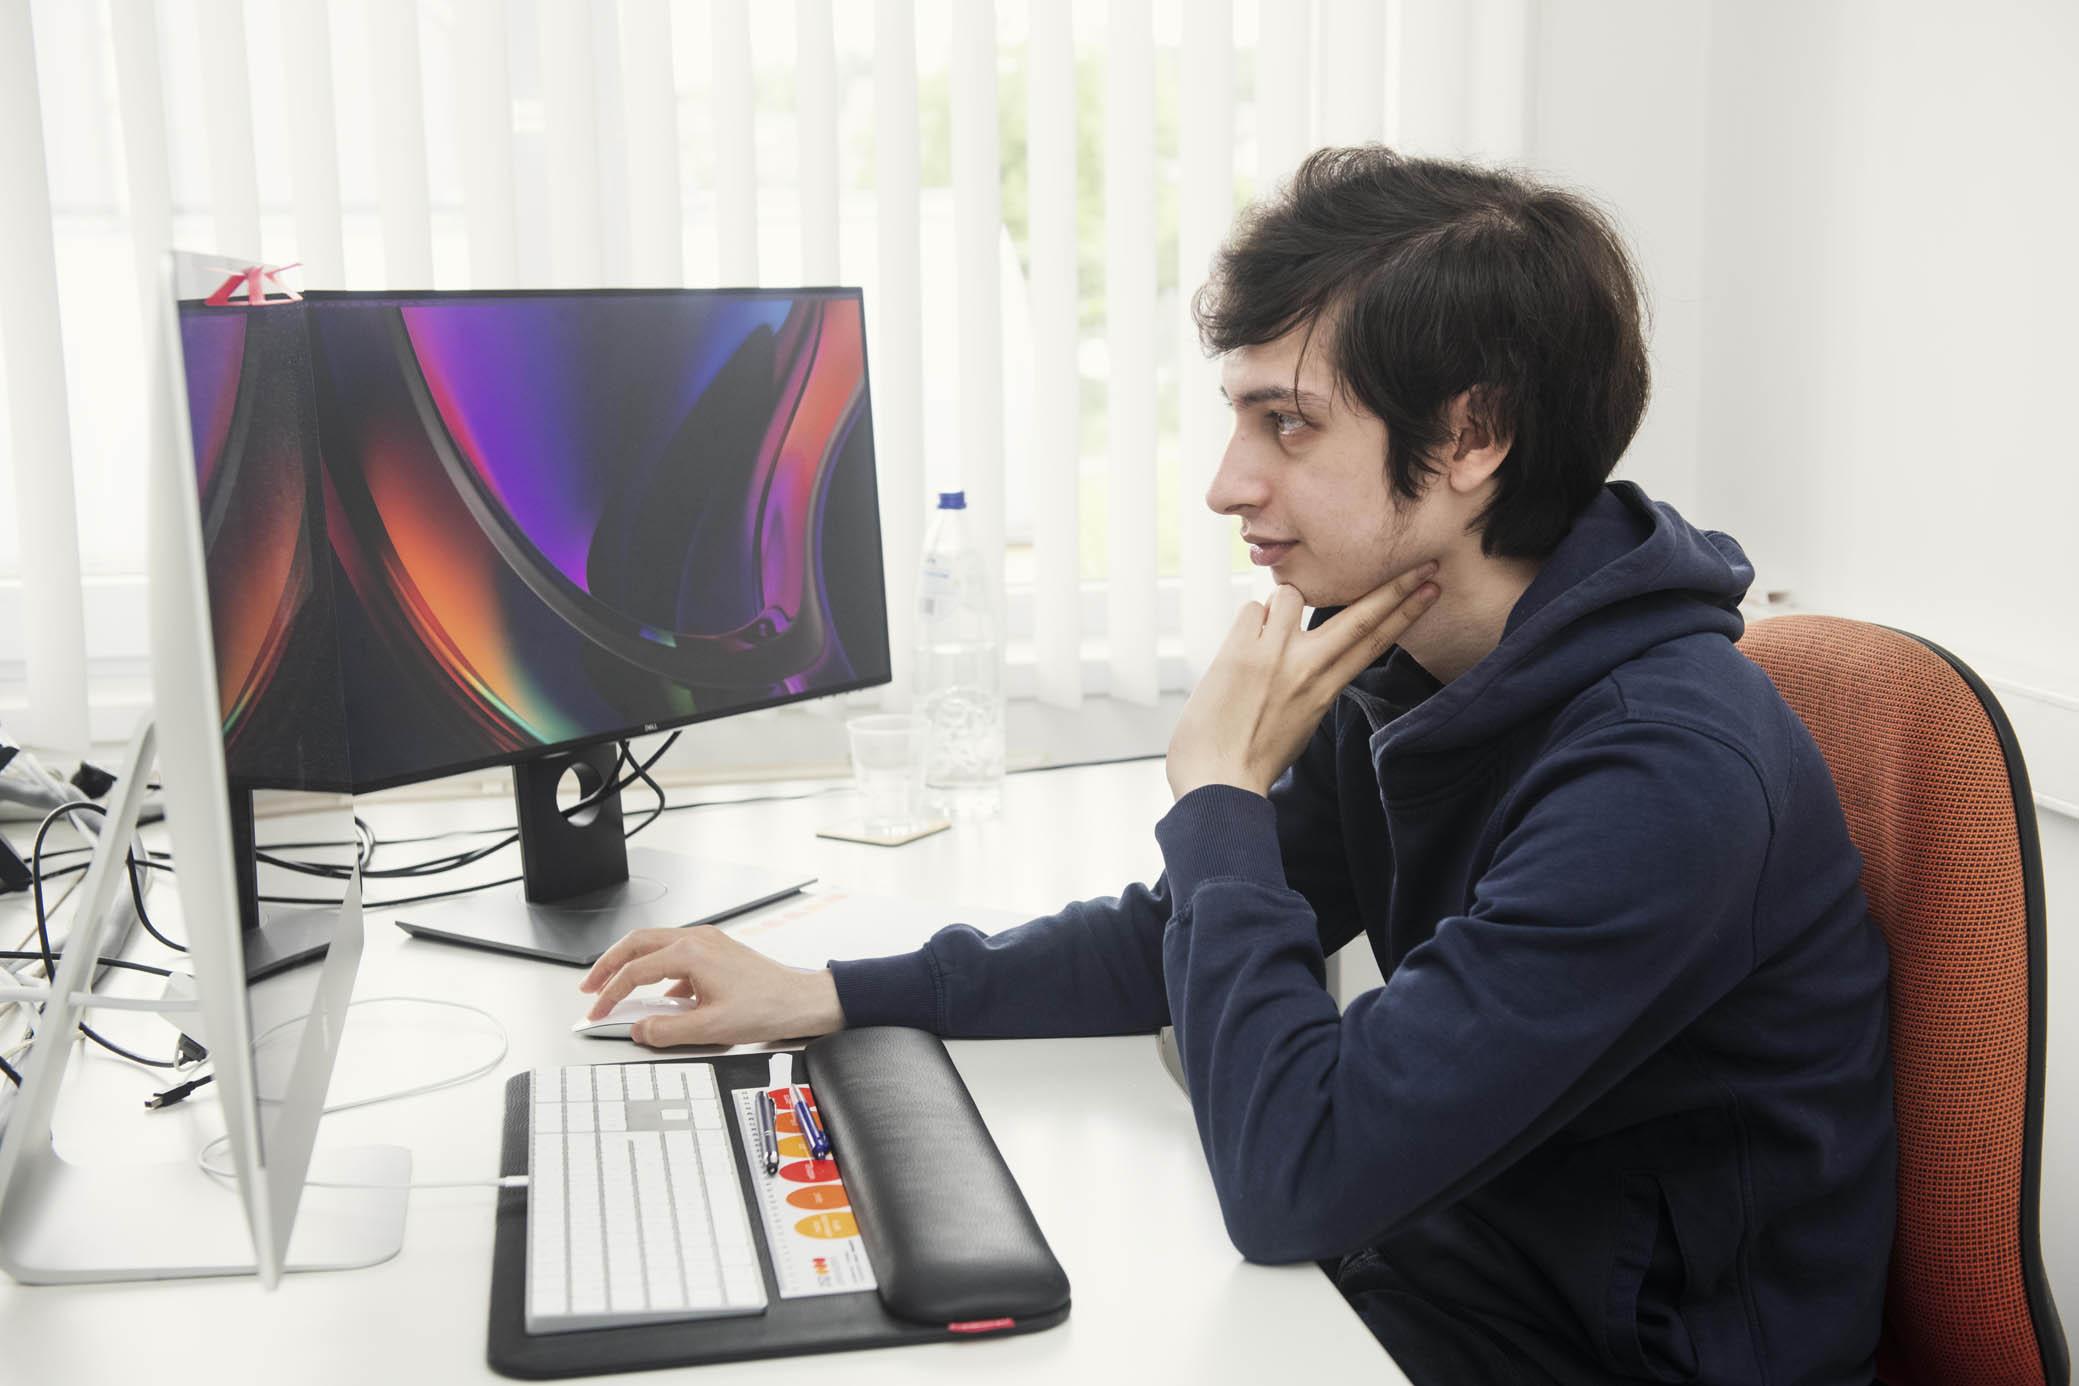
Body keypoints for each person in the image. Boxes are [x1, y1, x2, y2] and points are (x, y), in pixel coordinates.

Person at [580, 146, 1898, 1386]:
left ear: (1472, 438)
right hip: (1454, 1271)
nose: (1226, 484)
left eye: (1289, 424)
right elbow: (1171, 941)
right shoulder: (1412, 657)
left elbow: (1296, 1179)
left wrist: (1220, 793)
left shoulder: (1663, 772)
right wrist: (828, 992)